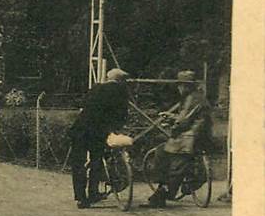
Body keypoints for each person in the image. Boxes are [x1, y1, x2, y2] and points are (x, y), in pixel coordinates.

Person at [146, 70, 213, 208]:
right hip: (198, 135)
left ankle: (164, 191)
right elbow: (188, 116)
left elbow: (183, 121)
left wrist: (171, 121)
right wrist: (172, 116)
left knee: (163, 154)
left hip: (189, 137)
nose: (179, 88)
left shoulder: (191, 98)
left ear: (186, 86)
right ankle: (162, 191)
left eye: (180, 85)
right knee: (166, 152)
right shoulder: (197, 96)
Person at [68, 68, 131, 208]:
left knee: (78, 163)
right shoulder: (121, 92)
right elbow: (122, 115)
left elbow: (83, 103)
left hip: (79, 129)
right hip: (97, 132)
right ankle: (93, 193)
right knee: (97, 160)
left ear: (108, 78)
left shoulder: (96, 88)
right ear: (121, 80)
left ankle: (80, 198)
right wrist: (117, 128)